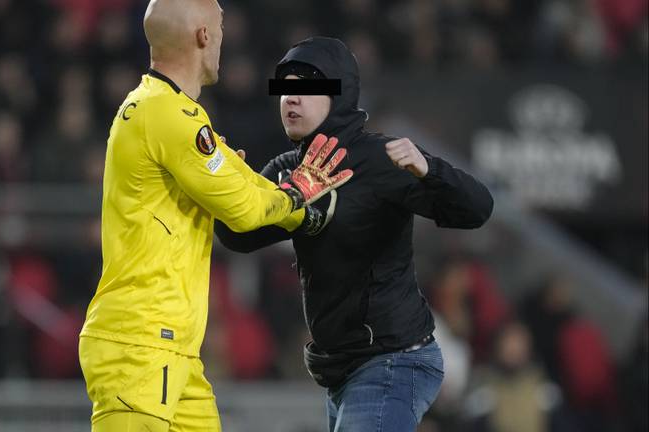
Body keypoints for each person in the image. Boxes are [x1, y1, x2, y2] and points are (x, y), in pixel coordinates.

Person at [77, 3, 353, 431]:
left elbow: (244, 185)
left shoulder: (165, 111)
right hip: (140, 345)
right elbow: (243, 209)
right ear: (204, 35)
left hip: (175, 349)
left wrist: (289, 202)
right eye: (221, 27)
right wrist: (300, 197)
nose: (224, 39)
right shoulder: (170, 117)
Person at [215, 37, 494, 431]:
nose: (290, 99)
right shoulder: (288, 170)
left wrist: (431, 169)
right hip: (343, 370)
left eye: (305, 88)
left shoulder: (380, 159)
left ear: (340, 93)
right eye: (284, 89)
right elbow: (236, 236)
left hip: (394, 359)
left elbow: (478, 209)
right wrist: (230, 186)